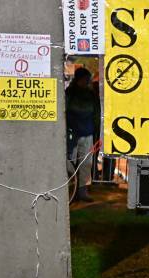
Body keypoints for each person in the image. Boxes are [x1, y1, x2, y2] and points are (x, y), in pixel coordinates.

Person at [66, 67, 100, 202]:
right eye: (85, 79)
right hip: (73, 133)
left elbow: (96, 113)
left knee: (86, 163)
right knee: (71, 163)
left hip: (87, 132)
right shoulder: (70, 92)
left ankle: (82, 191)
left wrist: (96, 129)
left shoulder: (90, 94)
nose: (87, 82)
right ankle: (71, 190)